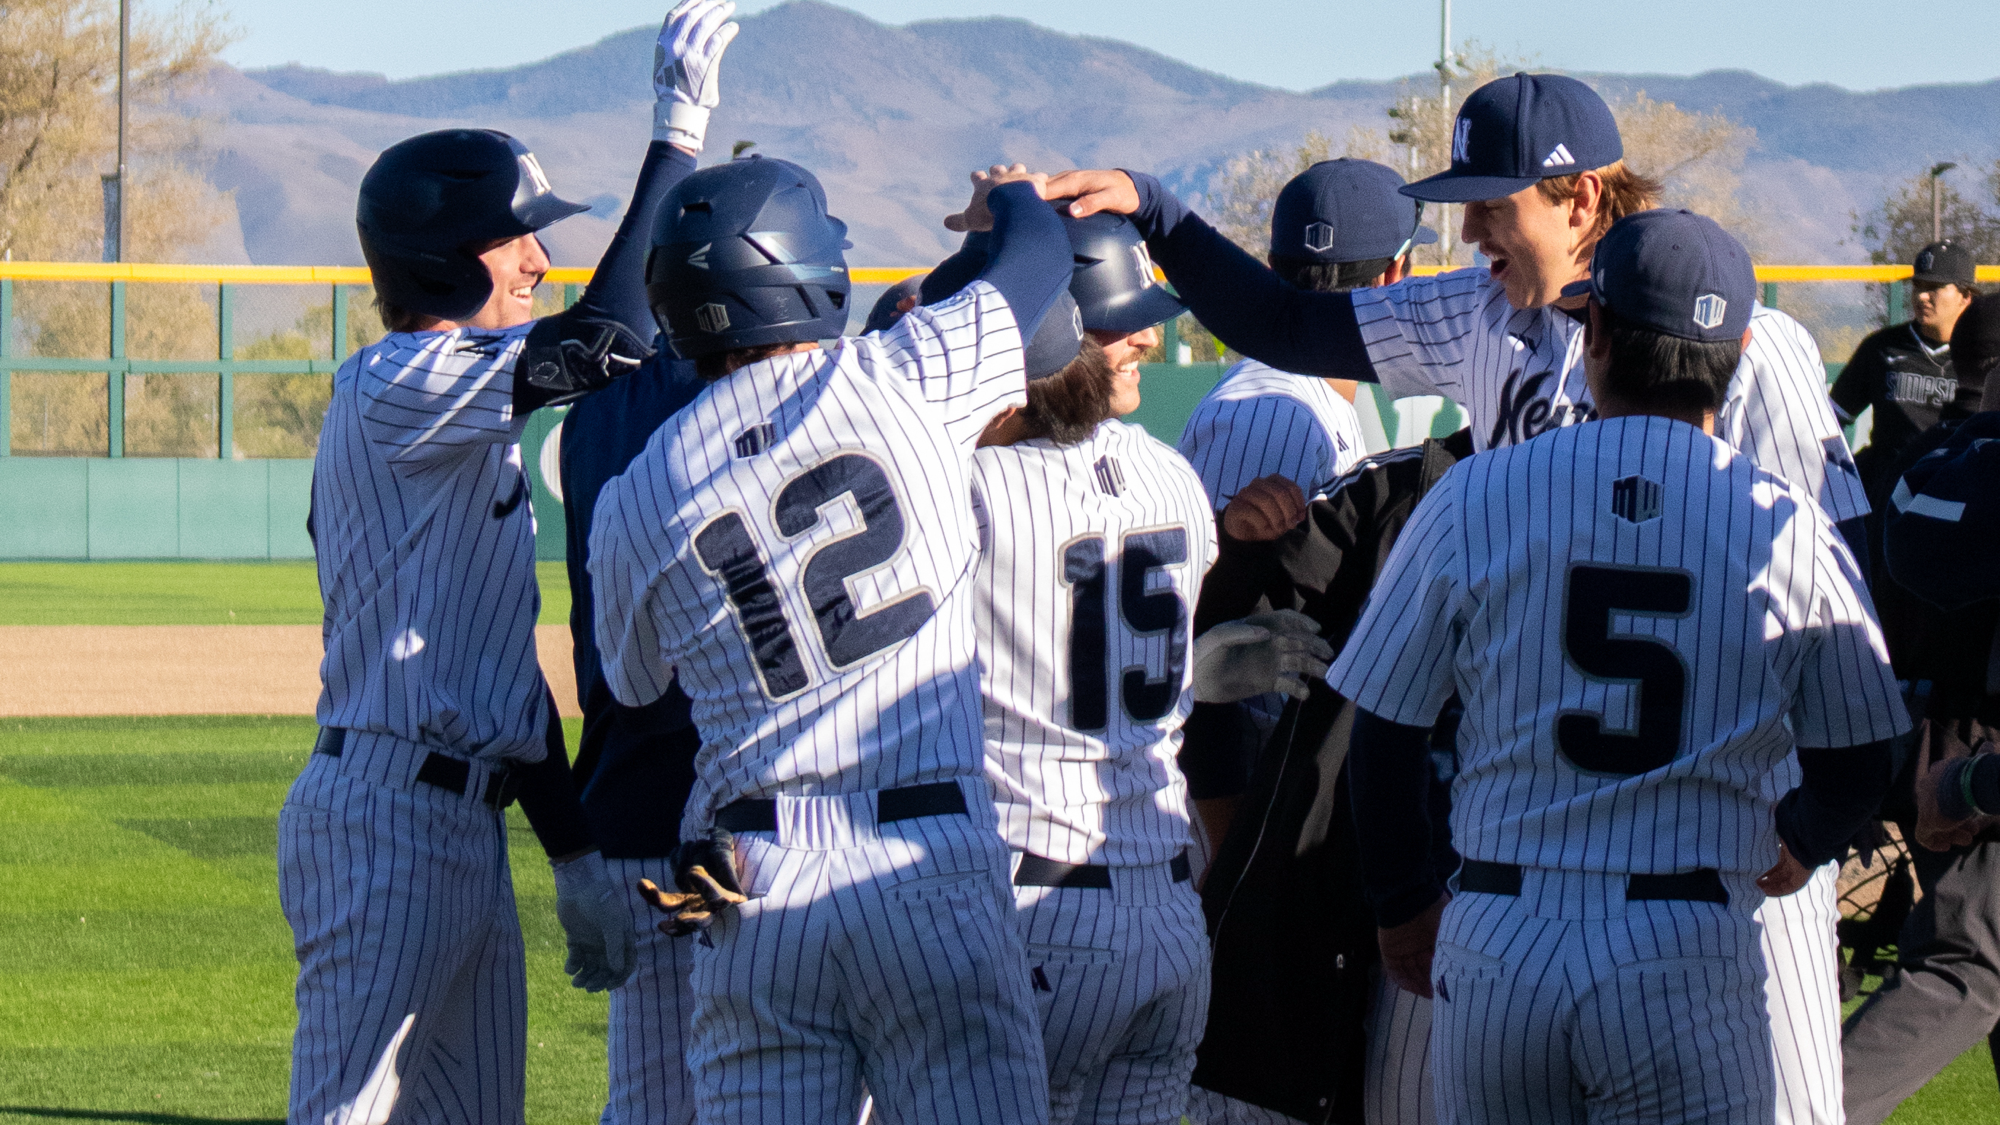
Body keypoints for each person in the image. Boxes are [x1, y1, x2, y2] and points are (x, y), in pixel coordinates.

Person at [1039, 74, 1871, 1124]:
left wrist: (1819, 814)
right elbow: (1290, 324)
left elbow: (1843, 580)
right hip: (1512, 837)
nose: (1468, 224)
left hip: (1722, 852)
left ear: (1576, 196)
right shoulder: (1484, 311)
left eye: (1492, 200)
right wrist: (1158, 215)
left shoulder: (1750, 349)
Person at [1330, 208, 1907, 1123]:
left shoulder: (1480, 490)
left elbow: (1386, 731)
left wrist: (1402, 898)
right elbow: (1861, 754)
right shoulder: (1784, 522)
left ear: (1591, 330)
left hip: (1503, 929)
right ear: (1741, 348)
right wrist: (1805, 833)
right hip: (1688, 935)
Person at [276, 4, 706, 1119]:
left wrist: (568, 860)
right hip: (381, 811)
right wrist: (678, 136)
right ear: (440, 257)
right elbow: (603, 343)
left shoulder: (462, 427)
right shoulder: (392, 386)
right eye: (516, 236)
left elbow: (507, 694)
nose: (539, 256)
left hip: (461, 820)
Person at [588, 159, 1072, 1125]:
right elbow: (1041, 253)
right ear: (809, 270)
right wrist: (1005, 195)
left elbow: (635, 685)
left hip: (758, 876)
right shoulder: (905, 371)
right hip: (926, 858)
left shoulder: (635, 493)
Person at [948, 197, 1328, 1123]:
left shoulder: (965, 484)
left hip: (1030, 895)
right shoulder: (1169, 475)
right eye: (1122, 330)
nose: (1146, 348)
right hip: (1165, 909)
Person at [551, 7, 738, 1122]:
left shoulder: (597, 413)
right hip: (756, 822)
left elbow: (607, 318)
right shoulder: (799, 407)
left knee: (655, 1100)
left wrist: (678, 133)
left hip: (629, 808)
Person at [1183, 428, 1471, 1125]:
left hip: (1503, 911)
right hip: (1346, 908)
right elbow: (1217, 641)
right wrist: (1241, 553)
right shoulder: (1399, 492)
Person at [1843, 293, 2000, 1123]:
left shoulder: (1943, 457)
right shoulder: (1967, 459)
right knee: (1964, 969)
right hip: (1960, 744)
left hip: (1943, 741)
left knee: (1966, 971)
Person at [1177, 158, 1435, 512]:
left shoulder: (1309, 396)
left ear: (1271, 267)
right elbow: (1216, 565)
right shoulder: (1273, 413)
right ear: (1391, 276)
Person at [1832, 239, 1983, 503]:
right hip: (1886, 492)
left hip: (1955, 491)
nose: (1922, 296)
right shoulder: (1882, 348)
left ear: (1966, 296)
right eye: (1918, 286)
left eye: (1934, 287)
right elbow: (1830, 417)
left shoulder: (1983, 357)